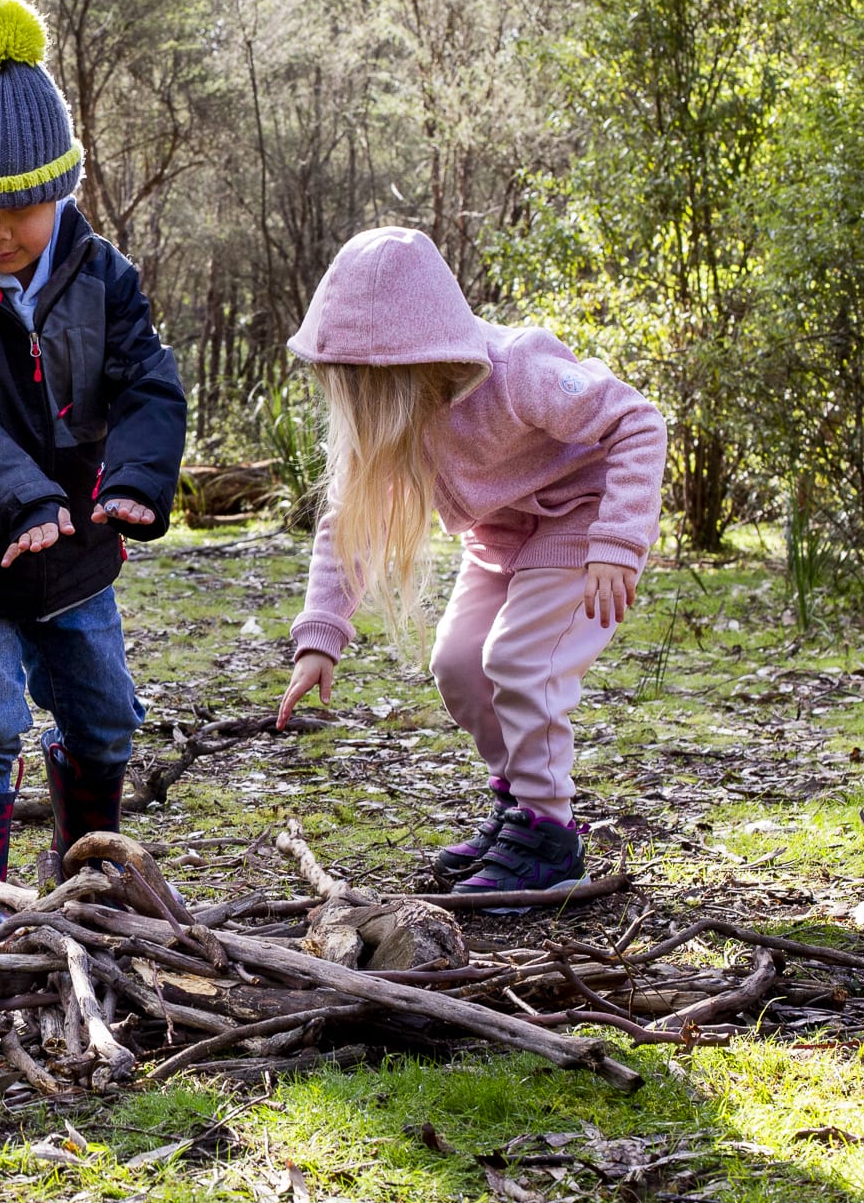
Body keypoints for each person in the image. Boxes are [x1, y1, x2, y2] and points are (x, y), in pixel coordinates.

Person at [0, 0, 187, 943]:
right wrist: (20, 498)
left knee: (105, 713)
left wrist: (135, 482)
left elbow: (150, 382)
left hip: (80, 549)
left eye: (18, 204)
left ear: (59, 186)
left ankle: (89, 864)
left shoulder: (104, 276)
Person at [275, 228, 667, 894]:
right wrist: (321, 634)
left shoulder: (518, 371)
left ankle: (549, 832)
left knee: (519, 660)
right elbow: (348, 522)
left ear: (414, 364)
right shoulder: (395, 421)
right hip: (502, 538)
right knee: (457, 664)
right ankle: (519, 803)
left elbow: (636, 420)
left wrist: (618, 544)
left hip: (580, 521)